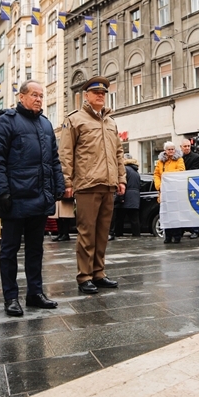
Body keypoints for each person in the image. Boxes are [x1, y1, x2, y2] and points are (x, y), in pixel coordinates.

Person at [0, 80, 64, 317]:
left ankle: (35, 293)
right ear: (21, 97)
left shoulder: (46, 125)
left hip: (39, 198)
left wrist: (59, 184)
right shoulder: (6, 121)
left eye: (41, 95)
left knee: (35, 249)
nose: (39, 99)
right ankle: (11, 297)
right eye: (34, 95)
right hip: (15, 198)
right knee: (9, 250)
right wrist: (2, 192)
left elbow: (54, 160)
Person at [58, 77, 125, 295]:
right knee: (87, 232)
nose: (100, 96)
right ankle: (84, 276)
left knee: (102, 233)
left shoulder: (111, 122)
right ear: (86, 95)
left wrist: (121, 179)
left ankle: (99, 272)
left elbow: (118, 153)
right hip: (87, 184)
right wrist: (67, 181)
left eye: (103, 93)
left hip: (109, 185)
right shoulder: (75, 120)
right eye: (96, 92)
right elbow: (66, 153)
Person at [154, 143, 185, 243]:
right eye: (169, 149)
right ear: (165, 151)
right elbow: (156, 175)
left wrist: (167, 176)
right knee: (165, 215)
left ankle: (177, 236)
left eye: (172, 149)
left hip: (175, 191)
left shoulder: (179, 160)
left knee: (176, 215)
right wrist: (159, 185)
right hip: (164, 192)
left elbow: (181, 171)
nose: (171, 151)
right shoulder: (160, 162)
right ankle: (167, 236)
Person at [113, 154, 142, 239]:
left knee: (119, 219)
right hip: (134, 198)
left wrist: (120, 198)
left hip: (125, 197)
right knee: (134, 219)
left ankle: (118, 235)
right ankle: (137, 235)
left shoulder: (125, 169)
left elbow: (123, 184)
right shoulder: (136, 171)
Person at [179, 138, 199, 240]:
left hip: (191, 186)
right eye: (185, 146)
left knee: (192, 208)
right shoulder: (178, 157)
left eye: (188, 146)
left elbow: (193, 171)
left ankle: (195, 230)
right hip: (181, 186)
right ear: (181, 147)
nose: (187, 148)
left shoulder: (195, 157)